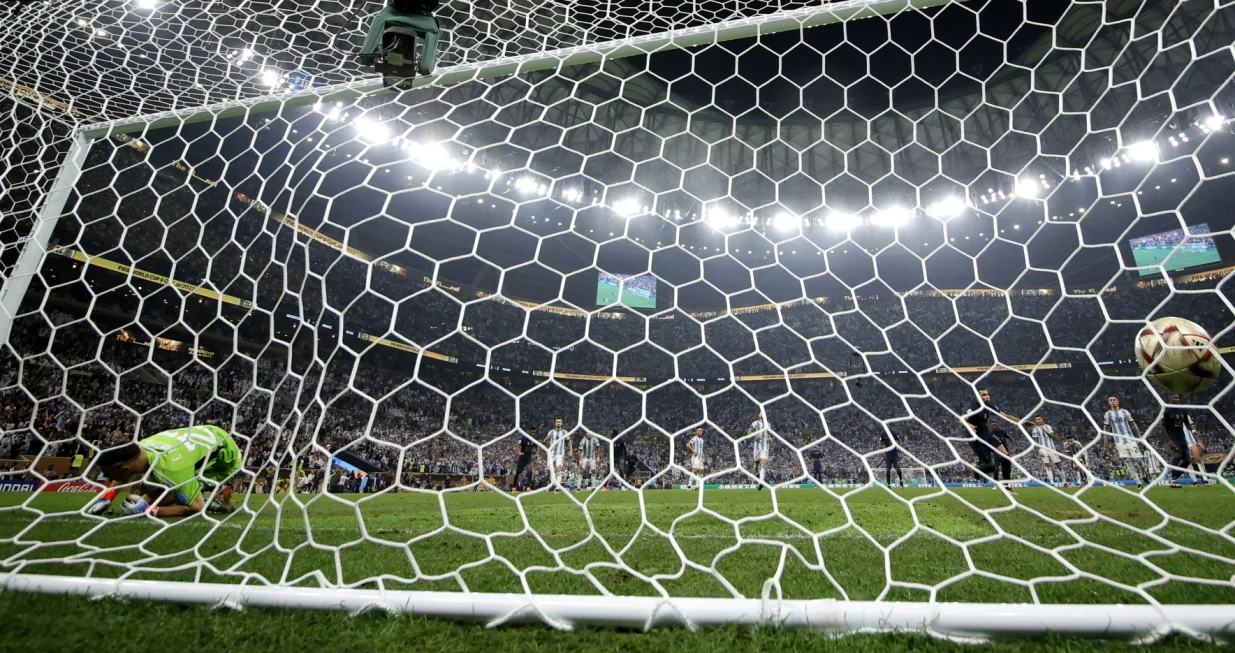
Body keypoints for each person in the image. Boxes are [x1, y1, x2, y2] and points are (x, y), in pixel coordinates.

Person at [85, 425, 242, 518]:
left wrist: (148, 510)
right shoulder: (140, 448)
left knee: (169, 497)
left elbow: (196, 508)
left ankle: (215, 502)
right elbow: (123, 473)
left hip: (224, 459)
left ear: (125, 469)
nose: (106, 476)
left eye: (108, 473)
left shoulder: (172, 469)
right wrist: (106, 498)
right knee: (139, 490)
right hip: (205, 434)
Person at [962, 388, 1018, 492]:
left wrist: (1022, 422)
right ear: (978, 397)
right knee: (991, 467)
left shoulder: (989, 405)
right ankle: (978, 469)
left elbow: (1005, 415)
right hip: (975, 438)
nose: (987, 396)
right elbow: (961, 419)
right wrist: (969, 425)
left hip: (987, 434)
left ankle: (1007, 487)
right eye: (983, 395)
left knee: (1006, 457)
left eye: (987, 394)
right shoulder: (974, 406)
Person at [1102, 394, 1151, 489]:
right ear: (1109, 402)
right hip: (1119, 442)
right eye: (1110, 400)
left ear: (1118, 401)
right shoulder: (1108, 414)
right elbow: (1106, 429)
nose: (1112, 401)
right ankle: (1138, 482)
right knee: (1128, 462)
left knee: (1139, 461)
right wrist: (1106, 442)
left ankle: (1143, 475)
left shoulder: (1125, 412)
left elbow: (1133, 425)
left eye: (1114, 400)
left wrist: (1139, 436)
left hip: (1130, 439)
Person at [1163, 394, 1207, 487]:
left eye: (1178, 397)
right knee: (1178, 454)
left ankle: (1173, 479)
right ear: (1170, 399)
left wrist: (1193, 431)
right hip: (1172, 434)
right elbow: (1162, 426)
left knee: (1187, 460)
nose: (1178, 399)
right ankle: (1174, 480)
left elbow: (1187, 423)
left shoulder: (1183, 410)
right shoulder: (1167, 410)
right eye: (1175, 397)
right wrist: (1169, 440)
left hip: (1181, 435)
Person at [1030, 415, 1070, 487]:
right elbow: (1035, 441)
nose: (1038, 421)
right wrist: (1039, 450)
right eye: (1036, 420)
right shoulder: (1035, 429)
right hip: (1042, 449)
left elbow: (1053, 437)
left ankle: (1065, 483)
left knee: (1059, 465)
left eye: (1039, 419)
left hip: (1051, 449)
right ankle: (1052, 484)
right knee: (1047, 466)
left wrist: (1044, 430)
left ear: (1042, 419)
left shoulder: (1048, 427)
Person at [544, 417, 572, 492]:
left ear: (562, 423)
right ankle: (552, 483)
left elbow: (569, 441)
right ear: (555, 423)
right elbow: (545, 440)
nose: (558, 423)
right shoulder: (551, 432)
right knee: (550, 470)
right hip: (551, 454)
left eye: (560, 422)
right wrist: (546, 445)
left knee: (558, 468)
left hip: (560, 454)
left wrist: (570, 451)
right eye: (557, 422)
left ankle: (557, 488)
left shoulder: (564, 432)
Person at [513, 426, 538, 490]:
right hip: (522, 458)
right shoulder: (524, 438)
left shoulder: (534, 439)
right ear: (529, 431)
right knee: (518, 472)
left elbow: (537, 447)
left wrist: (537, 453)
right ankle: (513, 487)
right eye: (532, 432)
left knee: (530, 471)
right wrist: (519, 452)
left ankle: (528, 487)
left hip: (528, 458)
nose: (533, 433)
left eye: (534, 432)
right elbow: (518, 446)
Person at [751, 412, 770, 490]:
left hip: (765, 447)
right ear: (758, 415)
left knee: (764, 464)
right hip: (757, 447)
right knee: (756, 464)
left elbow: (768, 434)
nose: (762, 414)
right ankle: (756, 474)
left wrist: (771, 439)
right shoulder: (755, 423)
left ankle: (761, 482)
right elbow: (749, 431)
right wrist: (756, 434)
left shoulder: (768, 425)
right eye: (760, 413)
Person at [686, 426, 705, 491]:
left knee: (700, 472)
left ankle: (697, 487)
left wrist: (703, 457)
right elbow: (688, 444)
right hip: (695, 457)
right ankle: (689, 486)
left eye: (701, 431)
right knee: (695, 470)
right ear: (696, 432)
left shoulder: (702, 440)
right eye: (699, 430)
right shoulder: (694, 438)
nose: (700, 432)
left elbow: (701, 449)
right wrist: (693, 451)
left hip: (701, 458)